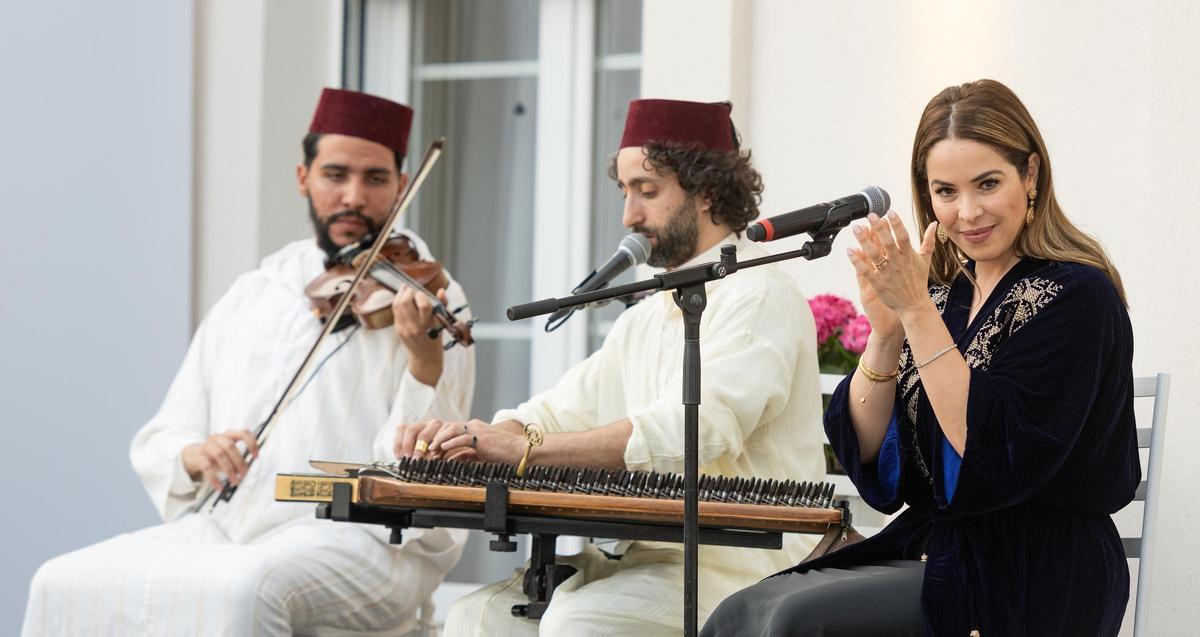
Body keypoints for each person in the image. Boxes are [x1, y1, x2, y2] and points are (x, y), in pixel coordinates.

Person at [22, 88, 475, 636]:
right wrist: (194, 453)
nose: (353, 196)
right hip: (229, 528)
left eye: (375, 179)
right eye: (335, 175)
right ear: (303, 178)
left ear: (402, 186)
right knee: (61, 579)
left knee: (247, 590)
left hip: (364, 542)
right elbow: (167, 429)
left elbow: (427, 472)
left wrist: (424, 368)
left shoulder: (431, 301)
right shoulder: (256, 291)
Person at [703, 79, 1140, 636]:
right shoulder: (942, 298)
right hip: (937, 549)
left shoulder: (1078, 295)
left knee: (792, 620)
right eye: (946, 191)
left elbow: (993, 445)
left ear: (1031, 175)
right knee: (743, 610)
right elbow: (867, 452)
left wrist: (915, 312)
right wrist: (886, 333)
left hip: (1035, 567)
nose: (968, 212)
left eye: (988, 183)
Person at [393, 98, 828, 636]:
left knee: (579, 623)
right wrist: (471, 438)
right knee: (476, 617)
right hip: (649, 560)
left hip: (747, 565)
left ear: (709, 190)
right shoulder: (645, 316)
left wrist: (525, 451)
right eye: (624, 192)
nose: (628, 216)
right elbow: (556, 413)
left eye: (647, 191)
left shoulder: (759, 295)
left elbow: (695, 431)